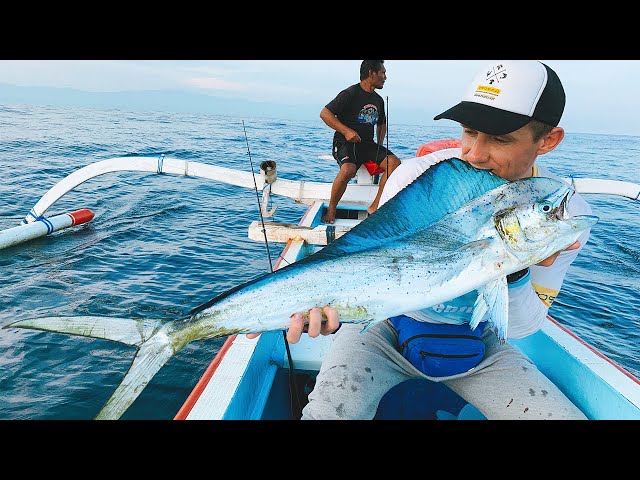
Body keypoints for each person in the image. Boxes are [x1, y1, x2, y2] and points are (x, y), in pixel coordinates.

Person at [251, 59, 594, 420]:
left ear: (548, 140)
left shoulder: (560, 214)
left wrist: (516, 269)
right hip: (383, 325)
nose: (474, 154)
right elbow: (365, 259)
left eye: (500, 138)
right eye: (469, 131)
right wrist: (321, 300)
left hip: (480, 339)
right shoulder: (414, 178)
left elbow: (522, 326)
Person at [319, 60, 401, 224]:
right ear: (371, 73)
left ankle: (375, 206)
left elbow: (381, 123)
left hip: (367, 145)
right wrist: (347, 131)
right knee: (348, 169)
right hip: (345, 143)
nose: (385, 77)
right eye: (382, 73)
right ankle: (332, 208)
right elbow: (325, 114)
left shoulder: (378, 100)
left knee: (393, 163)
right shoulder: (350, 93)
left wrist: (379, 144)